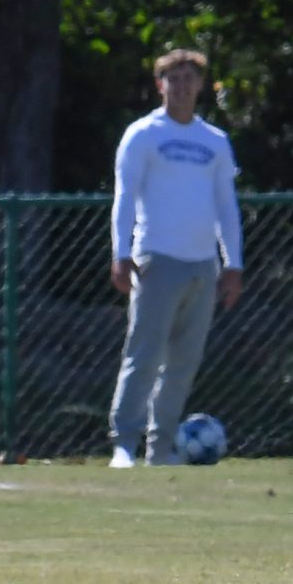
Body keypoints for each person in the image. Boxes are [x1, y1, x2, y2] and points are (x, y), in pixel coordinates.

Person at [107, 48, 244, 467]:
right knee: (144, 356)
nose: (182, 86)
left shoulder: (214, 142)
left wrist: (233, 263)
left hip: (203, 266)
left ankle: (160, 449)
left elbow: (226, 204)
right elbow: (125, 196)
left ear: (201, 86)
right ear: (160, 85)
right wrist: (121, 253)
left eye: (189, 78)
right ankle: (124, 444)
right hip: (157, 259)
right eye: (174, 78)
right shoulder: (143, 134)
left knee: (183, 364)